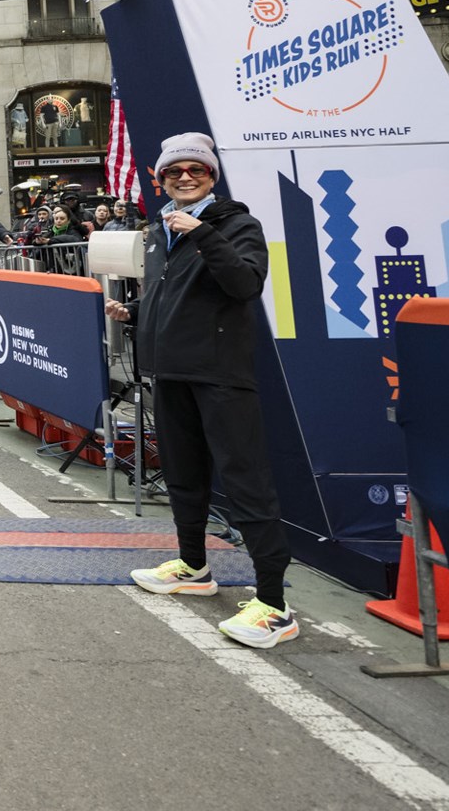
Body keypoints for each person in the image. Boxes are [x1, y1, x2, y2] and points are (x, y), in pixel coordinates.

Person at [105, 133, 297, 649]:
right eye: (175, 172)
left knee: (245, 481)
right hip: (169, 372)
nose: (186, 178)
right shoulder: (156, 230)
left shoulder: (237, 224)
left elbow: (243, 286)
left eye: (197, 171)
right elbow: (178, 298)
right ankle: (193, 566)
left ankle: (275, 605)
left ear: (213, 176)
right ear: (159, 178)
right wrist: (137, 313)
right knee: (184, 477)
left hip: (220, 374)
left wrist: (203, 234)